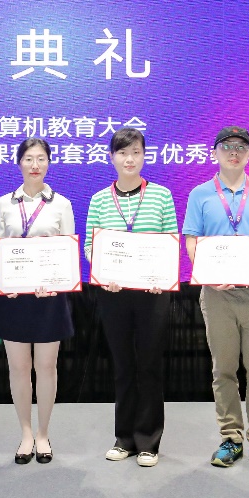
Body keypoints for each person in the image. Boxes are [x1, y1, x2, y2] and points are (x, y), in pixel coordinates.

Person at [181, 126, 249, 471]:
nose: (234, 152)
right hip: (217, 296)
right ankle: (231, 437)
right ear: (215, 153)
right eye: (227, 146)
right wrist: (209, 273)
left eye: (241, 146)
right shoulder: (200, 194)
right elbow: (192, 239)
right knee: (223, 369)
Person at [84, 127, 178, 468]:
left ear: (144, 156)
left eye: (136, 152)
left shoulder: (161, 195)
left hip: (152, 295)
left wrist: (161, 277)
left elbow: (171, 240)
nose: (129, 159)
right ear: (112, 157)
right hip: (115, 294)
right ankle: (124, 438)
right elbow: (90, 245)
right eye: (123, 153)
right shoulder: (99, 199)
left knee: (149, 365)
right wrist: (103, 272)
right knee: (123, 366)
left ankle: (148, 440)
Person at [0, 137, 75, 465]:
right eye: (28, 158)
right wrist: (3, 281)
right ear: (19, 163)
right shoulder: (4, 203)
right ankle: (26, 433)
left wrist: (56, 283)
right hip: (13, 297)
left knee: (46, 367)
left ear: (48, 163)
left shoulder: (61, 204)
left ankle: (43, 433)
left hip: (49, 298)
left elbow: (67, 252)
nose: (35, 165)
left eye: (40, 158)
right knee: (19, 367)